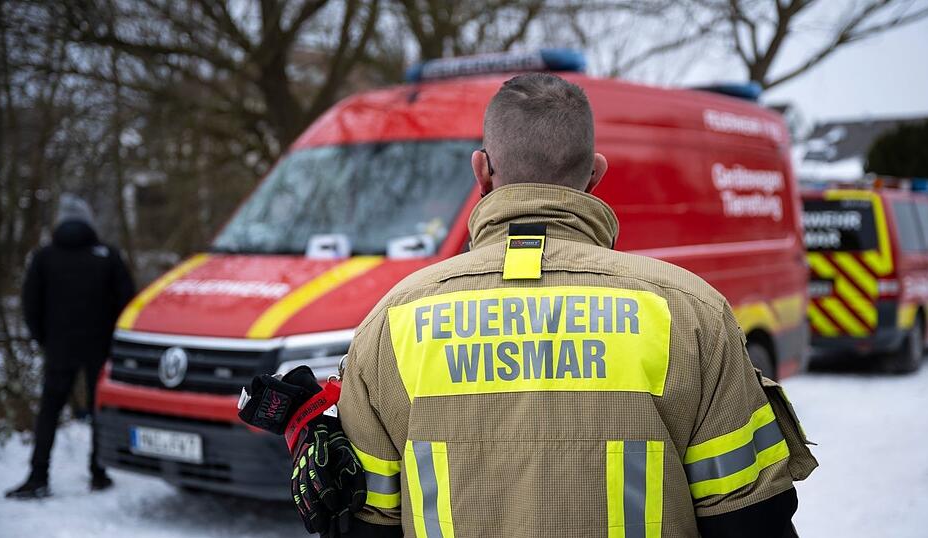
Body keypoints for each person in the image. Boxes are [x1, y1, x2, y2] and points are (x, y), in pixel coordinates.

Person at [243, 73, 817, 537]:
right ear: (595, 174)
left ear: (482, 170)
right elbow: (753, 523)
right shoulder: (692, 315)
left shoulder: (393, 323)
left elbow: (367, 525)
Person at [5, 194, 135, 499]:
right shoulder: (108, 256)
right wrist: (113, 343)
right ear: (89, 221)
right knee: (98, 409)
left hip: (59, 347)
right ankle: (98, 472)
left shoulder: (44, 257)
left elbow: (30, 304)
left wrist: (45, 339)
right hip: (100, 348)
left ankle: (38, 476)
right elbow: (127, 302)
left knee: (49, 411)